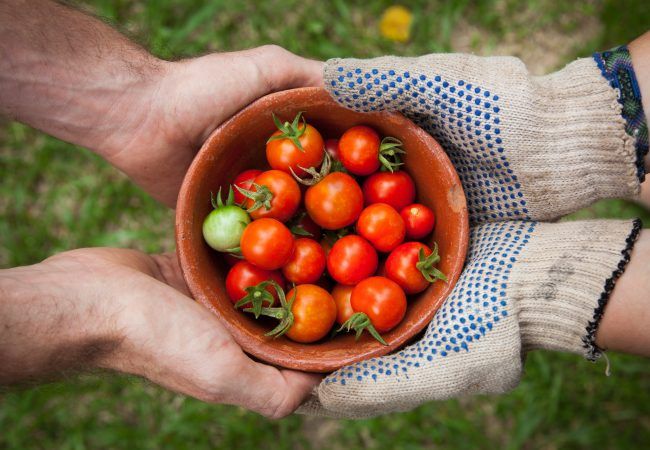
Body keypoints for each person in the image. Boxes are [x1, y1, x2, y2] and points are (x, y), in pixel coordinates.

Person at [0, 0, 648, 420]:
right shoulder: (305, 239)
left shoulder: (306, 212)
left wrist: (581, 125)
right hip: (360, 256)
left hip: (363, 245)